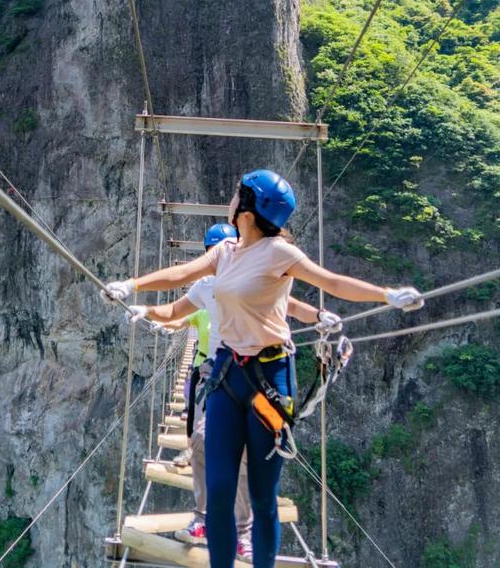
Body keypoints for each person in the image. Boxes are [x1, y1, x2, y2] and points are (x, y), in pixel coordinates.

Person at [103, 169, 423, 568]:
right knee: (219, 493)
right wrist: (132, 286)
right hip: (225, 372)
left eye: (239, 194)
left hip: (269, 377)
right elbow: (182, 273)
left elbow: (331, 282)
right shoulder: (225, 252)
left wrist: (386, 296)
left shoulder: (279, 254)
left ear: (249, 209)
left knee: (261, 494)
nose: (232, 199)